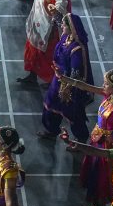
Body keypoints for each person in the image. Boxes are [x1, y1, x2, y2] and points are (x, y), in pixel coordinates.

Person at [58, 69, 113, 206]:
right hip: (97, 139)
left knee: (102, 176)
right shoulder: (107, 95)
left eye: (107, 84)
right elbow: (84, 86)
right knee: (93, 170)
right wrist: (65, 78)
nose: (103, 85)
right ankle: (93, 202)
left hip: (108, 145)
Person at [37, 13, 93, 141]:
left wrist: (67, 87)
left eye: (64, 25)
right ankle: (51, 130)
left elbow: (76, 71)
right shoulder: (65, 37)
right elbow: (59, 23)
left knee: (73, 113)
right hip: (58, 79)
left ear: (71, 28)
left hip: (70, 85)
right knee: (50, 104)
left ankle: (81, 140)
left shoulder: (77, 49)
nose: (62, 26)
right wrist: (56, 14)